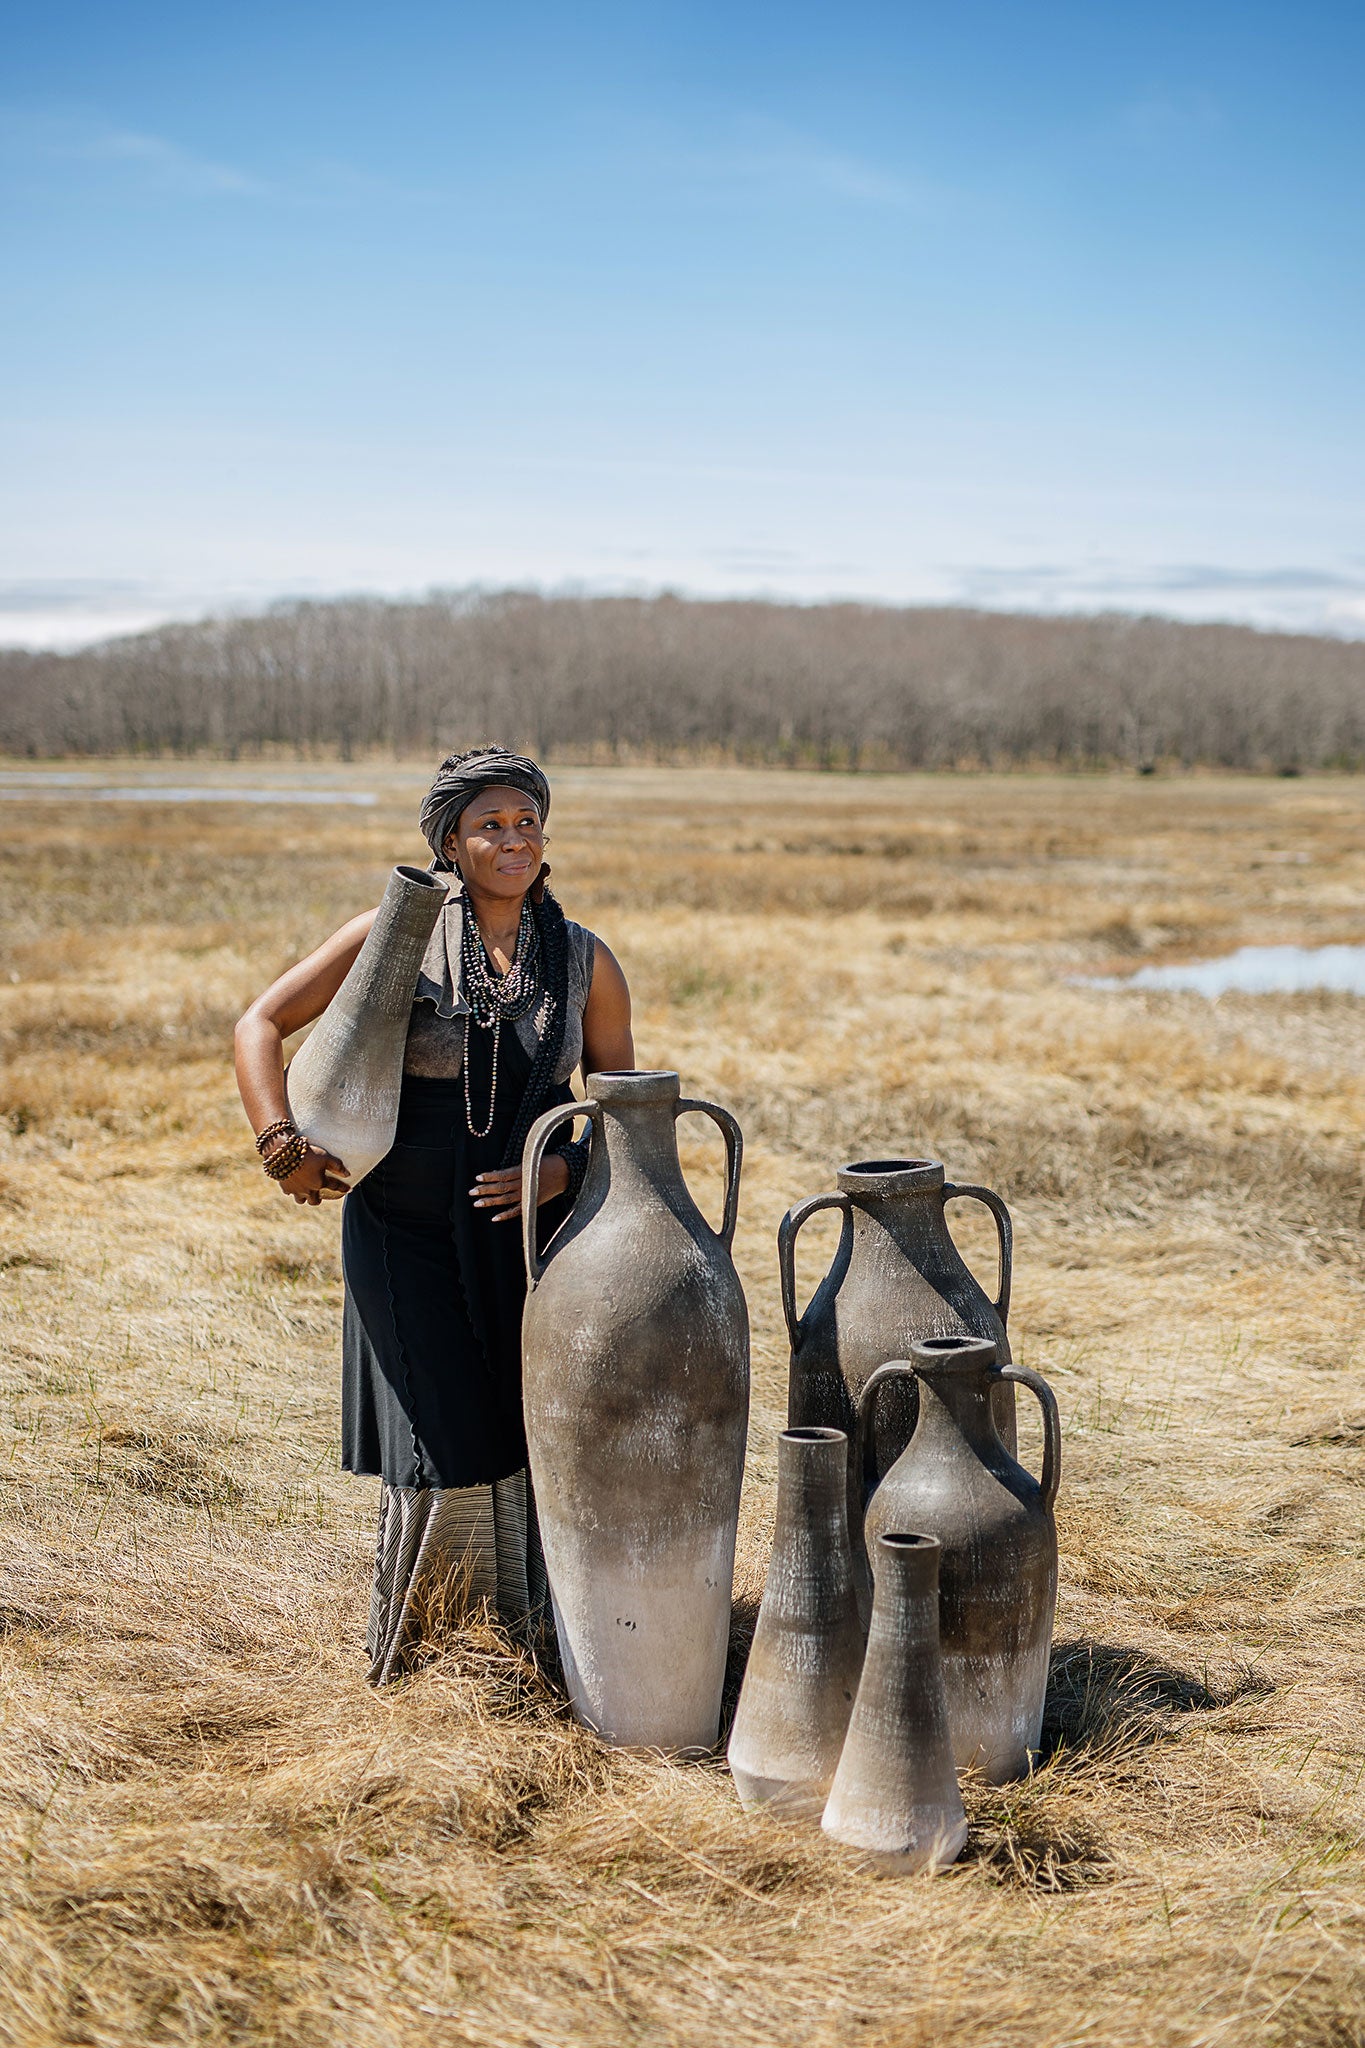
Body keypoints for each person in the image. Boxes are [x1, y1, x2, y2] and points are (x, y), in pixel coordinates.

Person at [233, 746, 634, 1680]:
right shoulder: (393, 934)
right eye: (490, 825)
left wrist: (563, 1170)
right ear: (449, 842)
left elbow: (628, 1106)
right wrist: (280, 1143)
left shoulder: (583, 959)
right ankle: (426, 1650)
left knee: (523, 1429)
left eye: (527, 822)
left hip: (532, 1241)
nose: (513, 840)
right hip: (401, 1226)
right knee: (445, 1431)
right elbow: (260, 1024)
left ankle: (527, 1647)